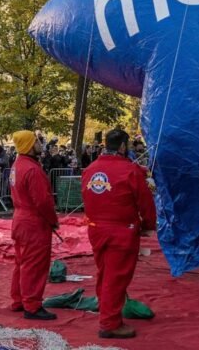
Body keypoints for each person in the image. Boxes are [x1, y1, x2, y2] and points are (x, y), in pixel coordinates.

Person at [80, 128, 156, 339]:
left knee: (104, 273)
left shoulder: (91, 169)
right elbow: (145, 202)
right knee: (116, 277)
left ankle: (106, 309)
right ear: (123, 146)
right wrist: (149, 225)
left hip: (96, 229)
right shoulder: (130, 171)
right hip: (121, 231)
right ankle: (110, 323)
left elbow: (86, 197)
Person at [9, 130, 59, 321]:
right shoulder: (33, 170)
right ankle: (32, 305)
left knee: (21, 262)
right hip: (34, 223)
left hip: (20, 219)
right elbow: (43, 202)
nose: (40, 144)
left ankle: (19, 300)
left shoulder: (17, 165)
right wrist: (53, 221)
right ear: (30, 145)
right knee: (35, 265)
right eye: (37, 141)